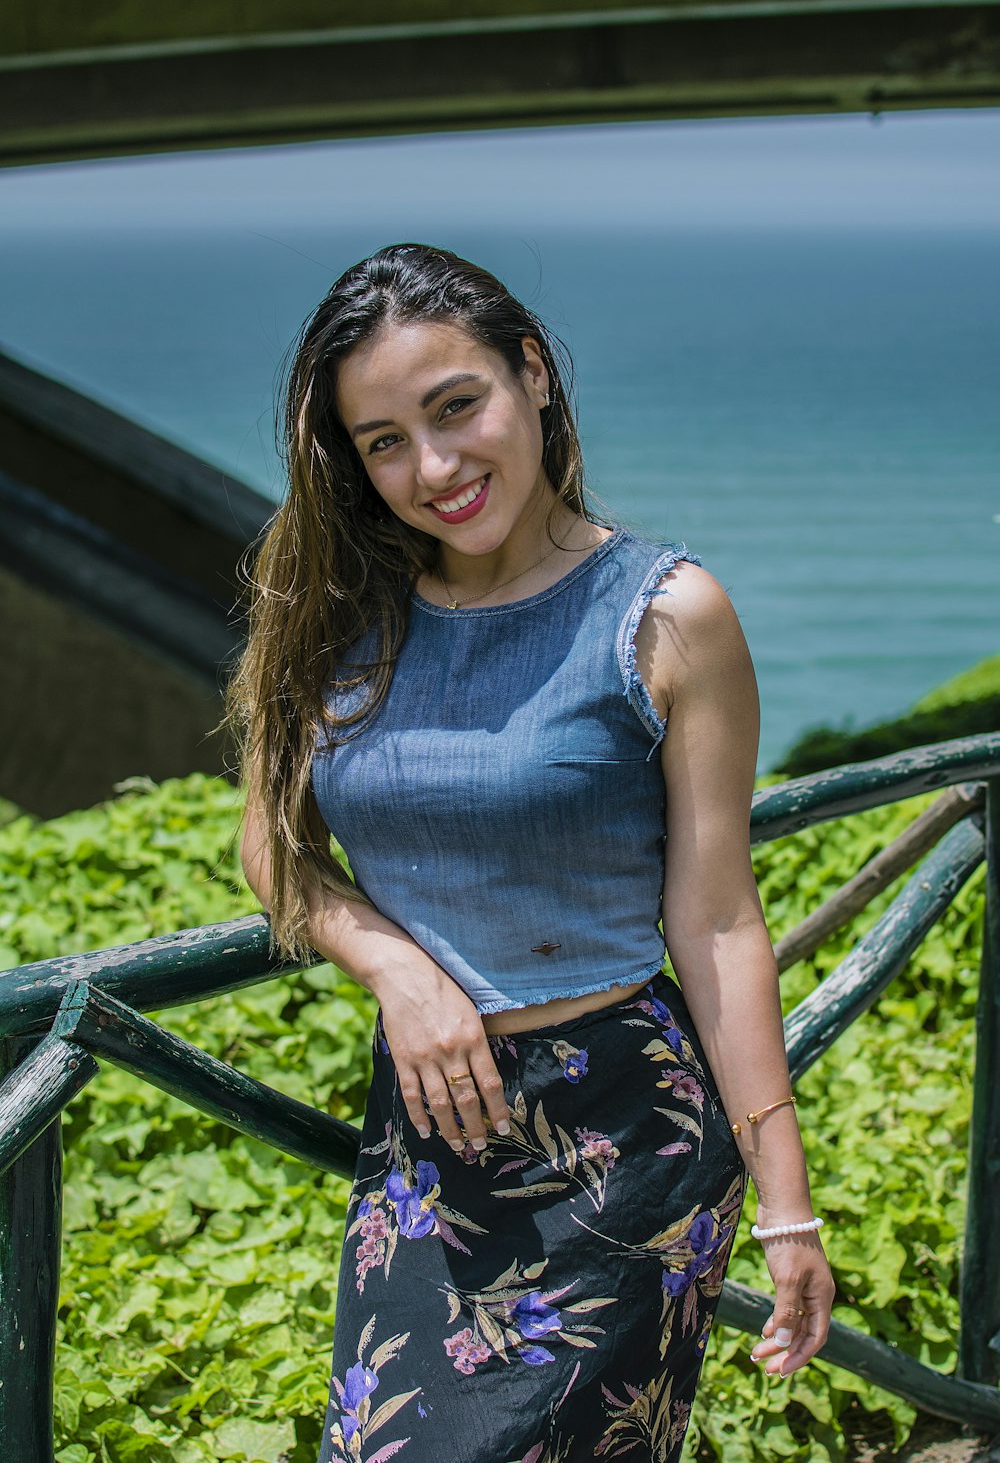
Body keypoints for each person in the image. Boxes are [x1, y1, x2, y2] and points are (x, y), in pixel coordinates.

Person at [231, 243, 835, 1463]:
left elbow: (717, 922)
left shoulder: (663, 615)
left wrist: (786, 1208)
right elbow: (273, 850)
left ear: (533, 375)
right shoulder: (335, 609)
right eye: (384, 440)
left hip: (627, 1139)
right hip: (425, 1142)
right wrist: (400, 974)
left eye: (457, 407)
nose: (435, 467)